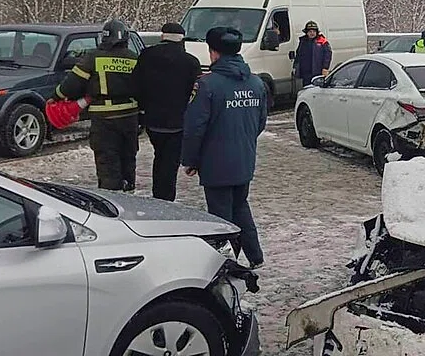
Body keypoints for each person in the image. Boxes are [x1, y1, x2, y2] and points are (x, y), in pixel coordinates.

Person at [181, 27, 267, 269]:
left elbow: (195, 127)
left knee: (220, 216)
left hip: (216, 161)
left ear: (214, 52)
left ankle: (225, 262)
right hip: (244, 159)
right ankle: (255, 255)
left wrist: (191, 160)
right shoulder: (256, 82)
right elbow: (260, 122)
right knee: (240, 206)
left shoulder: (207, 85)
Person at [51, 18, 139, 191]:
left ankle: (111, 200)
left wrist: (56, 96)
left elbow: (72, 84)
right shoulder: (134, 58)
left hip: (104, 119)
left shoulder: (93, 57)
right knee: (128, 157)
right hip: (130, 117)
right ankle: (129, 190)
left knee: (107, 160)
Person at [131, 22, 201, 201]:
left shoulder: (146, 56)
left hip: (153, 120)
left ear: (163, 36)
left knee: (159, 156)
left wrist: (144, 108)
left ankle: (158, 194)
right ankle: (165, 199)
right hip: (177, 122)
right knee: (169, 162)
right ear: (181, 40)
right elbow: (196, 93)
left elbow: (136, 85)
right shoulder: (191, 62)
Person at [293, 21, 332, 86]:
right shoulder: (303, 42)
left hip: (318, 72)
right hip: (306, 73)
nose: (312, 33)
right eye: (310, 31)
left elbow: (328, 55)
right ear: (306, 32)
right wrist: (295, 67)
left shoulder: (322, 41)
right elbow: (298, 55)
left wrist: (325, 67)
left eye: (314, 31)